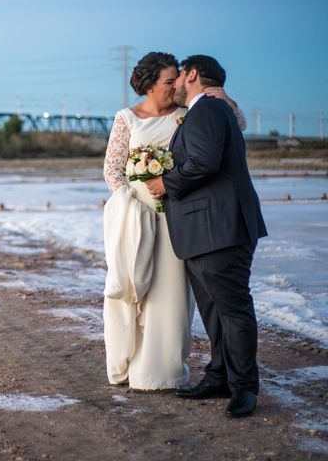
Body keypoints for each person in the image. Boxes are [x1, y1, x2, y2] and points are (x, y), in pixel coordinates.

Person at [102, 52, 246, 391]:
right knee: (136, 290)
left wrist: (225, 96)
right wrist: (130, 204)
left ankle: (163, 371)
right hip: (136, 217)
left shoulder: (190, 113)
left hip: (177, 218)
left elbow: (236, 124)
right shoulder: (127, 118)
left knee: (171, 295)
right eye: (169, 82)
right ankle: (129, 365)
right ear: (150, 86)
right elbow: (112, 169)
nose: (175, 86)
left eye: (176, 80)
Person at [145, 55, 267, 417]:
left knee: (233, 310)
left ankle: (245, 387)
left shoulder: (208, 110)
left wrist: (163, 182)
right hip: (206, 230)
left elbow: (203, 162)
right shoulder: (206, 111)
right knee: (214, 312)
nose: (177, 83)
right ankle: (219, 376)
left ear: (192, 75)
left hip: (222, 229)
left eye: (179, 75)